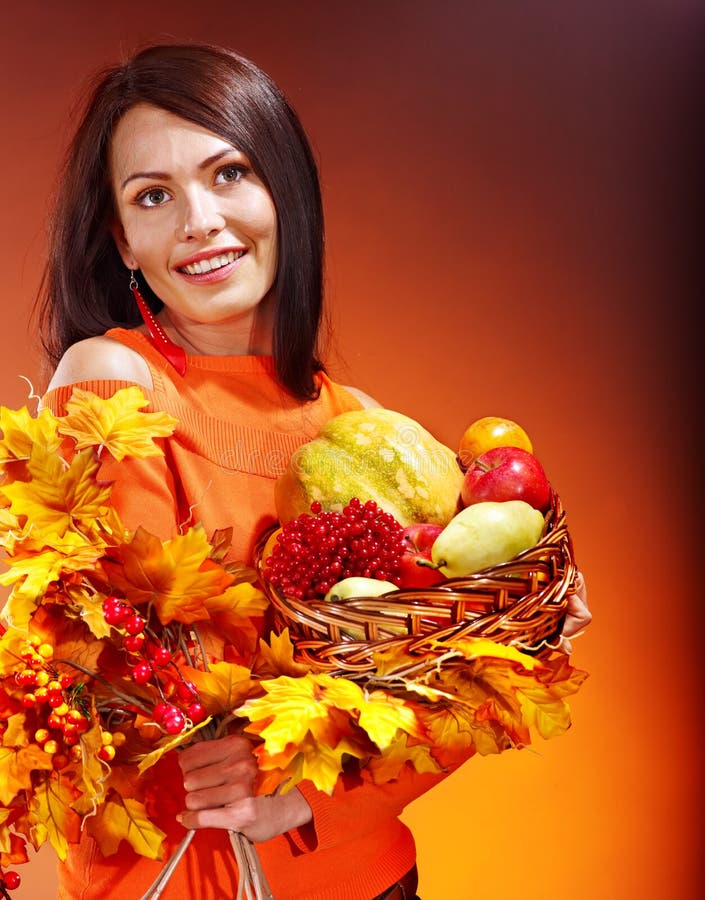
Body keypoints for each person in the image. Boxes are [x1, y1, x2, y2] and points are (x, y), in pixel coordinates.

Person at [36, 42, 591, 900]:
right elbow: (132, 686)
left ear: (284, 196)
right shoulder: (111, 385)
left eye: (229, 175)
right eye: (154, 195)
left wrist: (524, 621)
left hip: (372, 878)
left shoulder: (359, 422)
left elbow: (468, 688)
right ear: (124, 242)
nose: (199, 221)